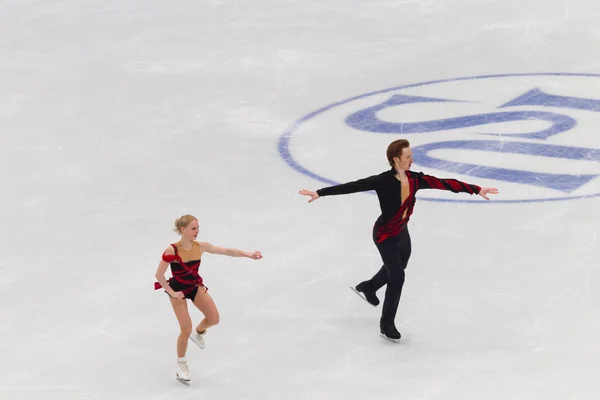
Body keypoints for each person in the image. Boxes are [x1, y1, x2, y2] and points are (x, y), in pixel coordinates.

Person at [298, 139, 498, 342]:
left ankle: (369, 286)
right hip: (384, 235)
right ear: (396, 159)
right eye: (408, 157)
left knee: (399, 265)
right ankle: (386, 324)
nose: (412, 160)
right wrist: (320, 193)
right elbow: (353, 186)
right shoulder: (382, 181)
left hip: (402, 232)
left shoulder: (416, 179)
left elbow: (445, 183)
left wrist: (476, 189)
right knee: (397, 276)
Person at [154, 214, 263, 383]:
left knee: (214, 318)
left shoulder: (201, 247)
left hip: (194, 287)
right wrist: (172, 292)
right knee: (185, 329)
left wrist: (248, 254)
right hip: (177, 290)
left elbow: (226, 251)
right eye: (193, 228)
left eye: (197, 228)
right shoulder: (172, 250)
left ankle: (199, 333)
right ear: (183, 230)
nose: (197, 231)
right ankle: (181, 365)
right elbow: (159, 275)